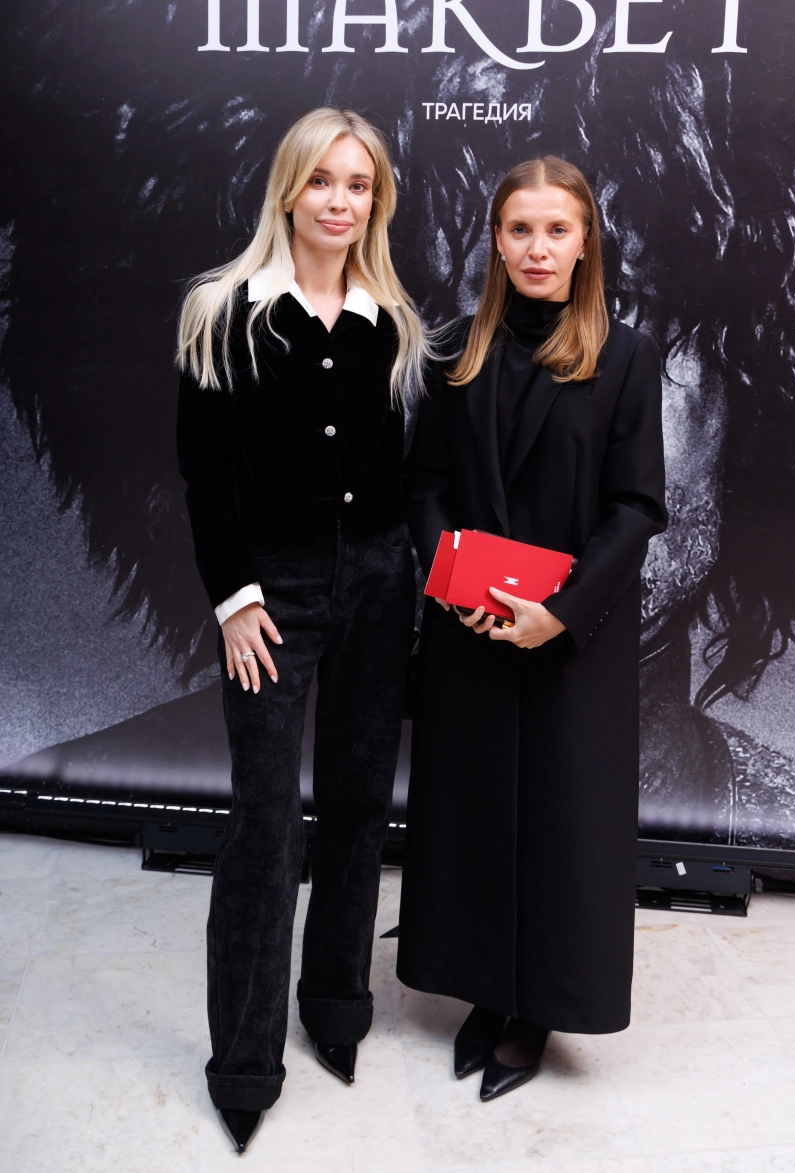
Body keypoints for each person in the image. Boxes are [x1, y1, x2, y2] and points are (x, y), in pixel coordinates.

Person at [176, 106, 427, 1153]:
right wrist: (235, 597)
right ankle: (244, 1063)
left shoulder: (391, 321)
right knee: (267, 821)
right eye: (322, 180)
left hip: (379, 582)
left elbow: (400, 470)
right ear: (288, 189)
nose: (340, 201)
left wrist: (417, 577)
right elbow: (204, 471)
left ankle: (336, 1006)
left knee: (361, 804)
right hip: (270, 593)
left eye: (359, 185)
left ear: (377, 201)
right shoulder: (222, 311)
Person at [397, 156, 668, 1101]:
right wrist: (451, 588)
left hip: (572, 640)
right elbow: (424, 485)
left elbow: (636, 507)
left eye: (557, 229)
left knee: (561, 823)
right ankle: (485, 986)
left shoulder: (626, 356)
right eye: (521, 229)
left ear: (585, 241)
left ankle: (537, 1007)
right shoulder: (453, 352)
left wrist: (560, 612)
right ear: (496, 242)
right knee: (473, 811)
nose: (538, 248)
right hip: (470, 630)